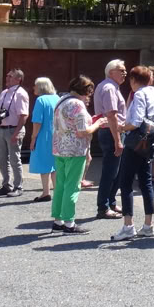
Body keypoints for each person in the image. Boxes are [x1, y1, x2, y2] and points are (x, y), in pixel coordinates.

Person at [51, 75, 106, 234]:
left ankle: (58, 220)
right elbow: (82, 131)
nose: (89, 96)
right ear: (85, 91)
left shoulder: (62, 100)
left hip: (60, 148)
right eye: (89, 93)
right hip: (75, 151)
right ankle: (69, 223)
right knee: (72, 186)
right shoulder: (78, 105)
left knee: (60, 185)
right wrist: (98, 123)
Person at [111, 66, 154, 240]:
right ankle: (148, 225)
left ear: (133, 80)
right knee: (146, 183)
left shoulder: (139, 94)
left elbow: (136, 121)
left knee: (125, 183)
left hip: (135, 143)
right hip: (150, 142)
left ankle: (128, 225)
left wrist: (122, 127)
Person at [94, 60, 128, 219]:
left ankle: (111, 202)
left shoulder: (110, 86)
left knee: (117, 171)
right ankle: (103, 207)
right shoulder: (109, 88)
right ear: (110, 72)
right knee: (110, 171)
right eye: (121, 70)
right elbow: (112, 115)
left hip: (111, 131)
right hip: (111, 132)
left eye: (125, 70)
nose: (124, 73)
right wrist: (117, 140)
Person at [0, 69, 29, 198]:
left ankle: (18, 186)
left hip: (13, 129)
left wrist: (16, 133)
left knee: (14, 159)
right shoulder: (4, 93)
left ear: (18, 79)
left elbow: (23, 116)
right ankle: (6, 185)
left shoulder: (21, 94)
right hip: (2, 129)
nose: (7, 78)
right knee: (2, 159)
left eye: (10, 76)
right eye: (7, 76)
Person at [28, 77, 60, 202]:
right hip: (57, 135)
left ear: (41, 87)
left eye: (35, 85)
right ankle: (57, 191)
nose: (33, 88)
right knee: (55, 164)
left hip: (43, 136)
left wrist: (33, 138)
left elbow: (37, 121)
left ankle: (46, 192)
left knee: (44, 164)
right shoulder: (57, 99)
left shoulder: (40, 100)